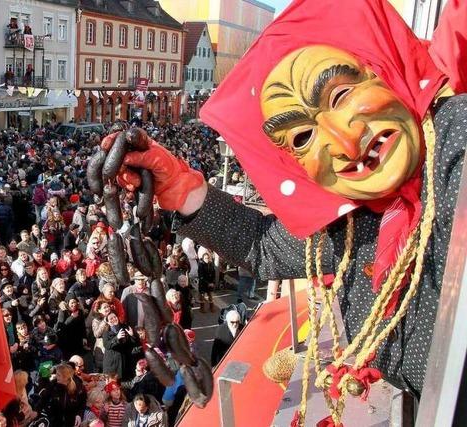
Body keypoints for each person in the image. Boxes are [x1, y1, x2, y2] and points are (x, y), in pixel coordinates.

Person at [99, 0, 467, 404]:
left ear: (384, 68)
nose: (345, 143)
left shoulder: (457, 143)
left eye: (341, 95)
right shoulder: (347, 221)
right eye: (303, 138)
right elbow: (261, 245)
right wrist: (183, 187)